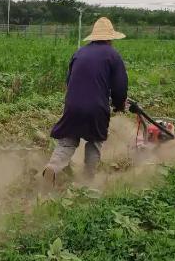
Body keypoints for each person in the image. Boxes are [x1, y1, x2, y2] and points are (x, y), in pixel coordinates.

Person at [43, 17, 128, 184]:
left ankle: (53, 167)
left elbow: (69, 81)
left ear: (94, 37)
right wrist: (119, 105)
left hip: (72, 105)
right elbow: (120, 86)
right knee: (94, 142)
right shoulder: (113, 55)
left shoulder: (79, 52)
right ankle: (88, 180)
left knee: (67, 141)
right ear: (110, 38)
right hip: (96, 107)